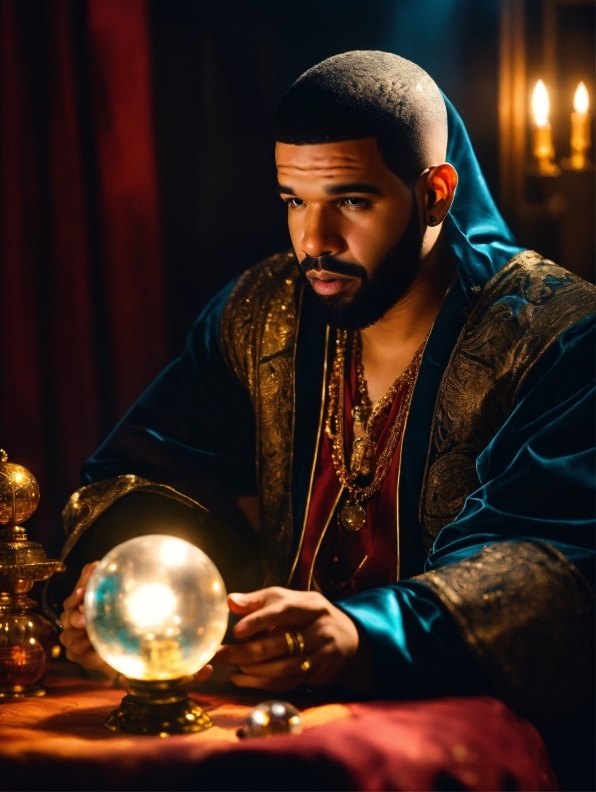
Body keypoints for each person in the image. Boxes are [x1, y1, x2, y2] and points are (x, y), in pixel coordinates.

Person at [48, 52, 594, 739]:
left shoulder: (556, 335)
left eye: (352, 201)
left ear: (434, 193)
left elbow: (553, 564)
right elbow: (150, 471)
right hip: (267, 724)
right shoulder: (262, 310)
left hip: (463, 736)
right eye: (294, 202)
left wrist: (361, 637)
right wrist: (124, 595)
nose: (314, 241)